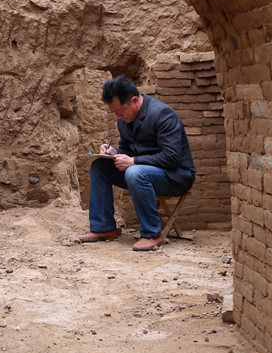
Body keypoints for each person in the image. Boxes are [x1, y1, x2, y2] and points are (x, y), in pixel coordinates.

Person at [78, 75, 196, 251]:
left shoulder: (162, 115)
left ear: (134, 100)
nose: (117, 116)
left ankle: (152, 234)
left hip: (176, 176)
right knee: (99, 167)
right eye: (114, 112)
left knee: (135, 172)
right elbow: (127, 149)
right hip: (144, 173)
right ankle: (103, 228)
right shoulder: (125, 120)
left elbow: (171, 157)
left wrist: (133, 161)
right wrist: (114, 153)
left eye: (119, 110)